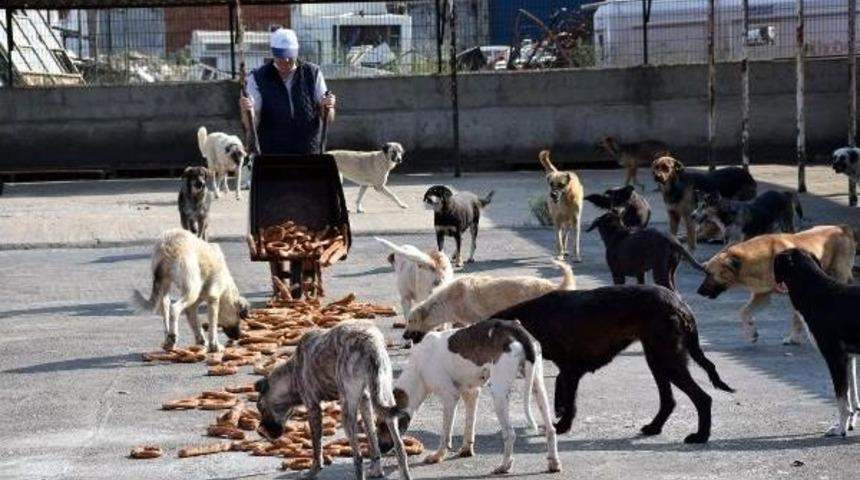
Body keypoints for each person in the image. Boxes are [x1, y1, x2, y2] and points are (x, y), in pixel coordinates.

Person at [240, 28, 337, 297]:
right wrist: (247, 110)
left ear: (296, 54)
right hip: (274, 161)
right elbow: (253, 122)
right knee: (274, 222)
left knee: (312, 221)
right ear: (273, 55)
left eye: (290, 58)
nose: (286, 63)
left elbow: (326, 115)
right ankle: (279, 284)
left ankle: (312, 279)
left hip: (309, 158)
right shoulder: (257, 78)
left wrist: (329, 106)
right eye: (281, 58)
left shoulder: (312, 73)